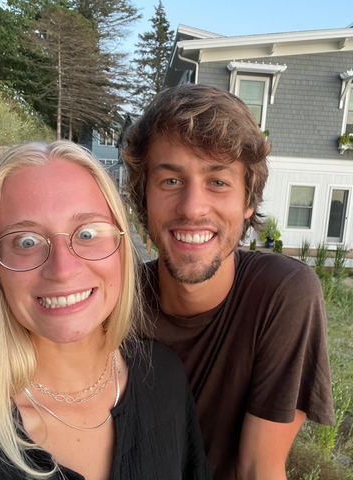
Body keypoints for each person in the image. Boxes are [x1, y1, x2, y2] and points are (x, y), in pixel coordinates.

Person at [123, 84, 336, 480]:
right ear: (143, 197)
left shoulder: (281, 294)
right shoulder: (115, 303)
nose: (192, 207)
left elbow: (258, 468)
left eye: (218, 182)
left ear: (248, 200)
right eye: (170, 181)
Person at [0, 141, 212, 480]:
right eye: (26, 241)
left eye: (88, 233)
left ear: (120, 247)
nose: (63, 269)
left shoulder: (164, 379)